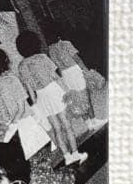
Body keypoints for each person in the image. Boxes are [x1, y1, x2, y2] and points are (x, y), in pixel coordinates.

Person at [15, 31, 87, 166]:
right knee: (67, 125)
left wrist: (35, 104)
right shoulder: (42, 58)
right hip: (54, 91)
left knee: (56, 128)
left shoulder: (21, 66)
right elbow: (56, 77)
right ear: (35, 43)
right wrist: (68, 91)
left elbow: (30, 90)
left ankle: (67, 156)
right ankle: (75, 153)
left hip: (41, 97)